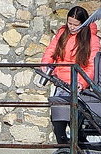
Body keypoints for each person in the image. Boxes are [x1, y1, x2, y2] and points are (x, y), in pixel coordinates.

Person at [41, 6, 99, 144]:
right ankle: (63, 148)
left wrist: (82, 82)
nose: (72, 27)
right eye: (69, 23)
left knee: (76, 120)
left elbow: (91, 65)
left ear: (83, 23)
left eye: (75, 24)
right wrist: (46, 67)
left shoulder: (92, 39)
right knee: (58, 120)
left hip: (78, 84)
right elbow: (50, 52)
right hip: (60, 83)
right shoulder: (62, 33)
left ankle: (78, 148)